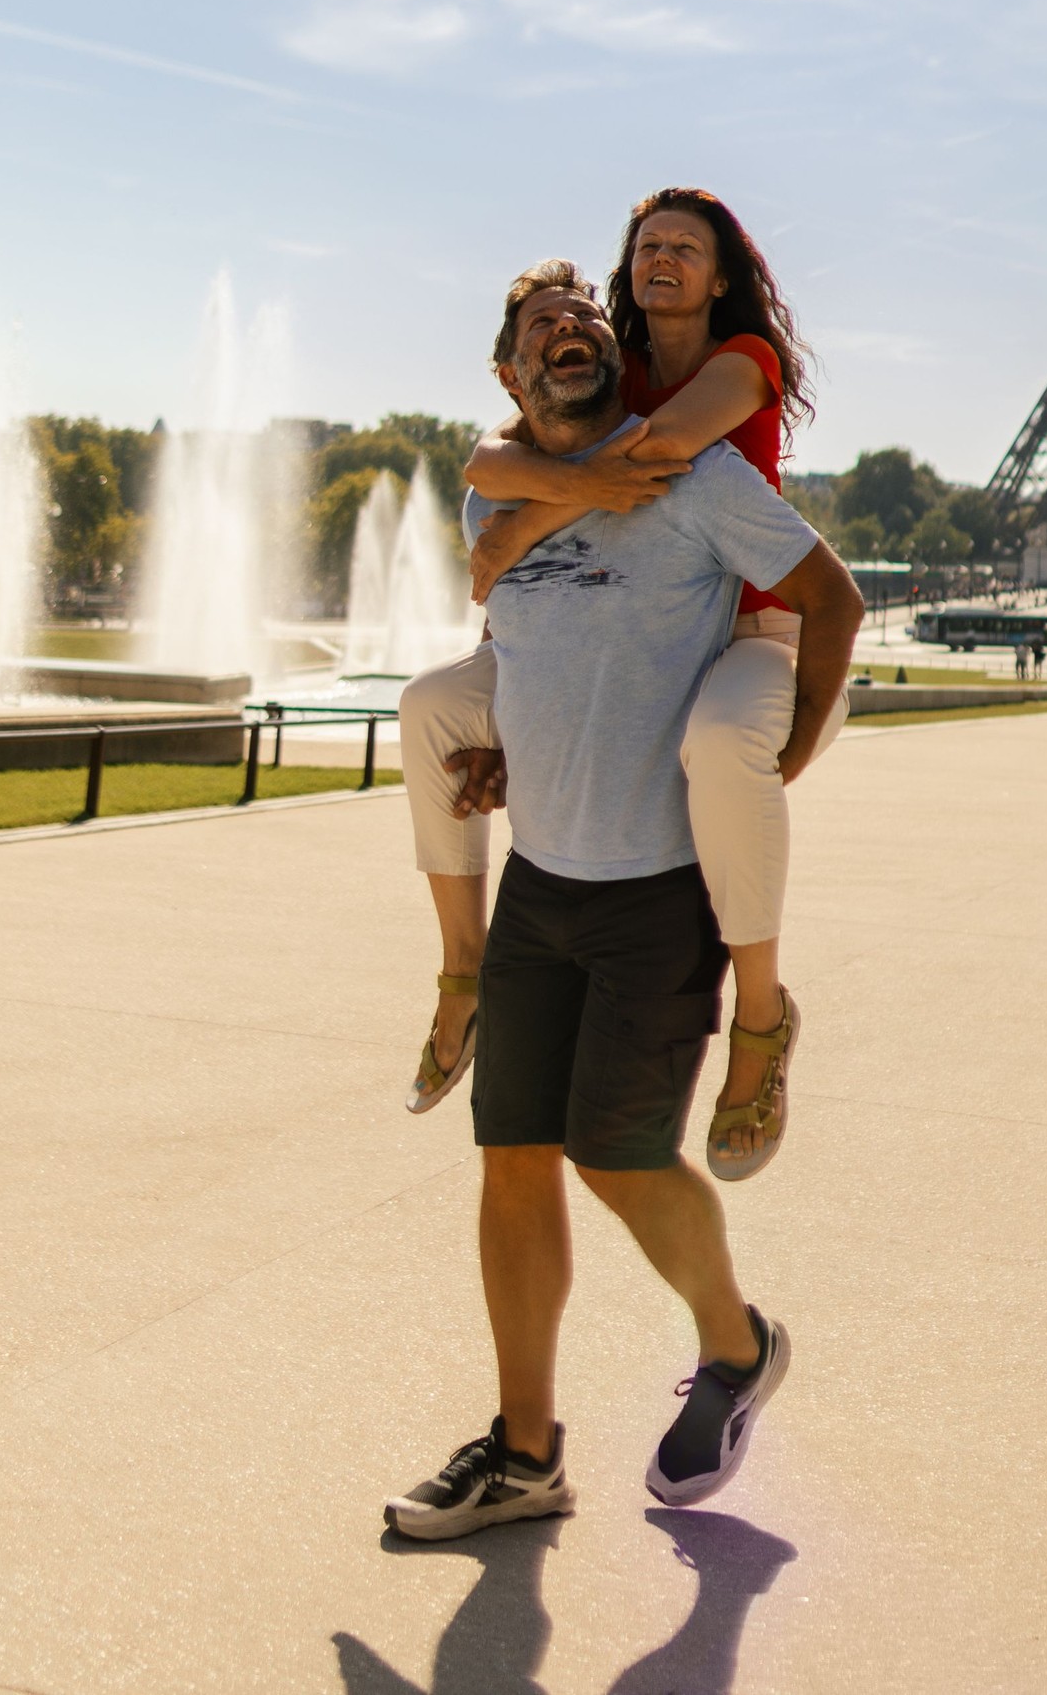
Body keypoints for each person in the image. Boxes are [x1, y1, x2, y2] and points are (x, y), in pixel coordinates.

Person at [386, 263, 862, 1538]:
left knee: (618, 1152)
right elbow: (518, 658)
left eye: (586, 321)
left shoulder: (697, 478)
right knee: (512, 1158)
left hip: (655, 894)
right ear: (507, 374)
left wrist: (786, 750)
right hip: (540, 883)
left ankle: (738, 1341)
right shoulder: (506, 492)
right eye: (542, 329)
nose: (570, 335)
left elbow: (831, 598)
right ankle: (526, 1451)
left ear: (616, 353)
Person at [400, 192, 841, 1180]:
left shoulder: (741, 364)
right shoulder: (613, 366)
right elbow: (496, 453)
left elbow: (654, 456)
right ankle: (460, 968)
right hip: (658, 627)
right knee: (430, 709)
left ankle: (762, 1018)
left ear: (723, 275)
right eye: (647, 245)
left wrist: (518, 522)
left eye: (688, 245)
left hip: (758, 629)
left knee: (724, 746)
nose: (664, 257)